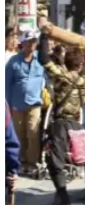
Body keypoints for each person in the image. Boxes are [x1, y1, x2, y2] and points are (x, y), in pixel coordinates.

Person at [41, 46, 85, 205]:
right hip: (76, 124)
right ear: (81, 65)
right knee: (82, 157)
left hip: (60, 124)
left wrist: (44, 38)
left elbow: (44, 60)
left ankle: (62, 196)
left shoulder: (61, 77)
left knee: (55, 161)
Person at [6, 29, 46, 175]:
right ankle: (20, 161)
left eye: (34, 41)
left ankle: (32, 162)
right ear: (22, 43)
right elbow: (5, 83)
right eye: (28, 41)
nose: (31, 44)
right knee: (18, 133)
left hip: (35, 102)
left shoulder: (40, 59)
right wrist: (7, 104)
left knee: (33, 133)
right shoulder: (13, 61)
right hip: (16, 103)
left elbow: (47, 78)